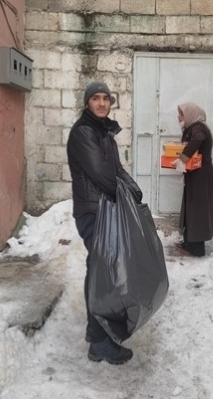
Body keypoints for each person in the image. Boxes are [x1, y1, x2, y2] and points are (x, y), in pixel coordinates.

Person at [67, 82, 141, 364]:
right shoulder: (84, 132)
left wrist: (134, 191)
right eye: (95, 98)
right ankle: (99, 342)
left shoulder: (104, 132)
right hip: (93, 212)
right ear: (87, 103)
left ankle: (94, 333)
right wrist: (125, 196)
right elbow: (101, 174)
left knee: (100, 271)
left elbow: (117, 170)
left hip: (104, 210)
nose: (101, 103)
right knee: (103, 275)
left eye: (105, 99)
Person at [171, 102, 213, 257]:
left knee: (197, 209)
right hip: (197, 174)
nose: (179, 117)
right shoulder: (194, 127)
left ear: (190, 114)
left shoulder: (198, 127)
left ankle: (196, 249)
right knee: (191, 208)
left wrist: (182, 159)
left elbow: (197, 140)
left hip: (201, 176)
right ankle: (189, 242)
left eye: (181, 114)